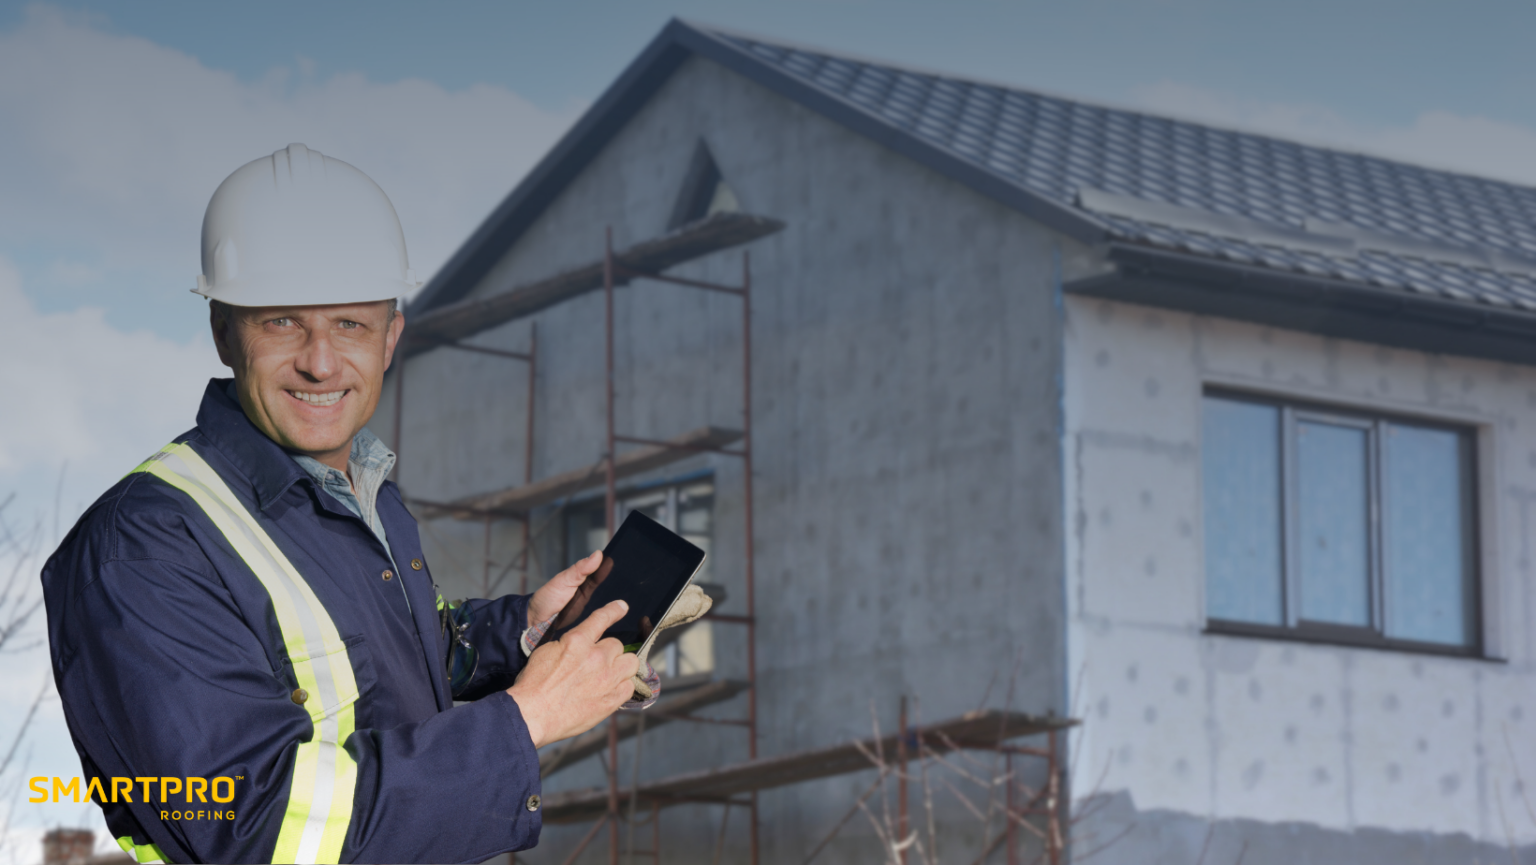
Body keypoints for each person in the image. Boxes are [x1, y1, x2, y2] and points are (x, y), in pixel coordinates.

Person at [40, 144, 680, 864]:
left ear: (390, 340)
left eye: (349, 324)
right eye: (282, 321)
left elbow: (384, 667)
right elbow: (248, 823)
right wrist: (521, 722)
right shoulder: (145, 546)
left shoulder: (358, 495)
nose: (320, 360)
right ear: (224, 331)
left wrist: (526, 634)